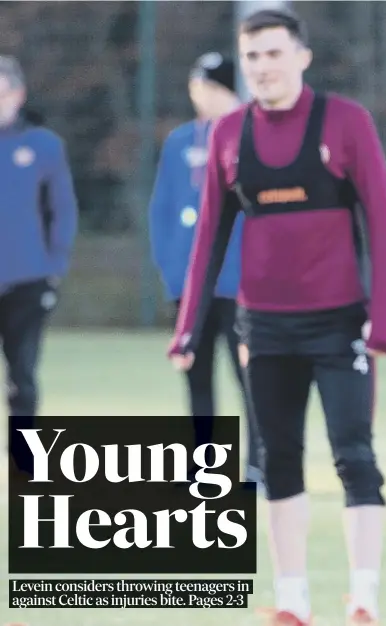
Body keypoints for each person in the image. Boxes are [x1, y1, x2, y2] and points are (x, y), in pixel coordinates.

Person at [168, 8, 386, 626]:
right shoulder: (227, 135)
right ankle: (293, 601)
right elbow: (209, 242)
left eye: (274, 54)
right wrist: (188, 326)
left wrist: (383, 321)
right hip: (264, 328)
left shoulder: (346, 123)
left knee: (354, 455)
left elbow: (382, 225)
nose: (263, 67)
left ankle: (363, 599)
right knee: (276, 459)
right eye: (252, 58)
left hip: (340, 326)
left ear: (301, 56)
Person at [148, 51, 264, 486]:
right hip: (191, 288)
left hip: (241, 287)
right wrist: (172, 271)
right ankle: (205, 466)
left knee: (250, 379)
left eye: (213, 89)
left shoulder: (252, 138)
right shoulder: (179, 142)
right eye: (198, 88)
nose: (203, 97)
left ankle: (256, 465)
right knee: (196, 379)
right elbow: (161, 210)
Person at [0, 56, 78, 471]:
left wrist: (54, 267)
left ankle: (23, 453)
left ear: (18, 95)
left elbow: (61, 210)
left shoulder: (44, 146)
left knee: (23, 374)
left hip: (27, 279)